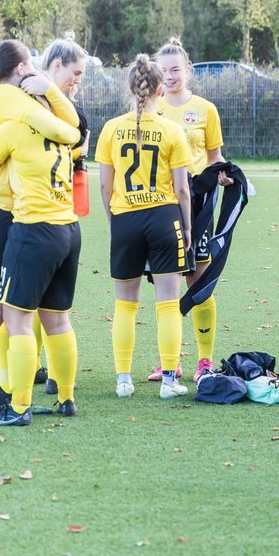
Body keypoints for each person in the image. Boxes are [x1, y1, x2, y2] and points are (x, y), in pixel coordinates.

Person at [0, 40, 80, 421]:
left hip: (21, 217)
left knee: (10, 311)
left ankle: (12, 394)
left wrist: (49, 94)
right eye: (31, 65)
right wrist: (50, 94)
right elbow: (71, 129)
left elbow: (67, 127)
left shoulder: (17, 106)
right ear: (19, 70)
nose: (36, 73)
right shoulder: (10, 100)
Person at [95, 55, 193, 399]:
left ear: (130, 87)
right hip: (165, 218)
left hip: (126, 218)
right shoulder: (172, 130)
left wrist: (114, 220)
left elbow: (105, 187)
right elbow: (182, 189)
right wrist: (188, 227)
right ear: (158, 88)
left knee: (125, 304)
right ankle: (169, 381)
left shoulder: (111, 128)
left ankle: (124, 380)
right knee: (167, 301)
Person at [149, 37, 231, 383]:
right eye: (164, 71)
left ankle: (204, 361)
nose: (170, 77)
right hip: (161, 205)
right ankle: (170, 361)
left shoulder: (205, 109)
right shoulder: (151, 108)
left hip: (198, 203)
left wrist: (226, 175)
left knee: (199, 279)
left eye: (175, 70)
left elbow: (215, 158)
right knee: (166, 284)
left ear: (187, 70)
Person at [35, 37, 90, 395]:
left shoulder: (66, 111)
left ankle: (48, 374)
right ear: (56, 66)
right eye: (75, 72)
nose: (78, 80)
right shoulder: (36, 104)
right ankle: (43, 370)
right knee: (38, 302)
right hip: (44, 211)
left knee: (38, 301)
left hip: (52, 213)